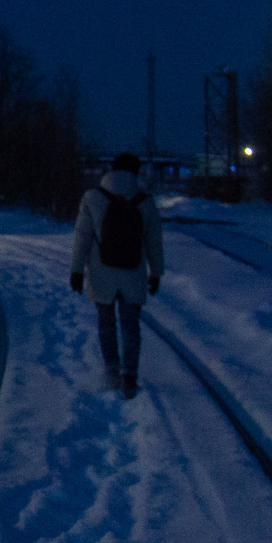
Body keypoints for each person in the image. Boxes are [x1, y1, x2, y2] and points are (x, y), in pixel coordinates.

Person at [69, 152, 165, 397]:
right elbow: (154, 242)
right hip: (133, 272)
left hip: (102, 272)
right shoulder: (146, 202)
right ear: (135, 172)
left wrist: (77, 270)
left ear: (110, 171)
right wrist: (156, 273)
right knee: (130, 326)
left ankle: (111, 370)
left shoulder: (92, 197)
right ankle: (130, 376)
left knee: (106, 322)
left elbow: (82, 237)